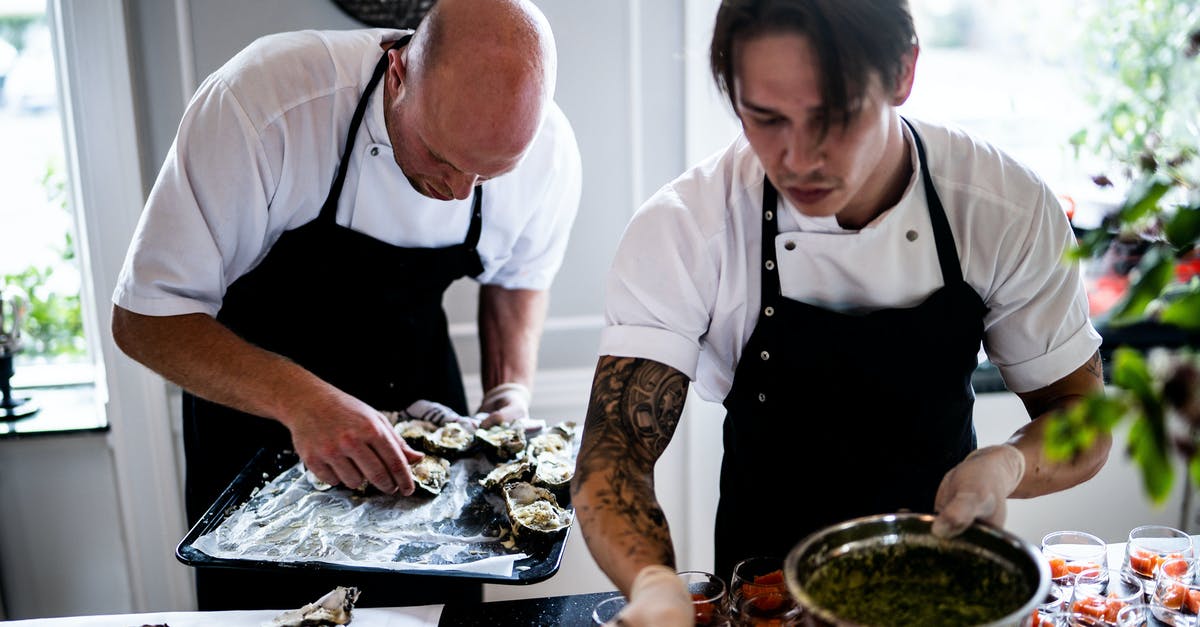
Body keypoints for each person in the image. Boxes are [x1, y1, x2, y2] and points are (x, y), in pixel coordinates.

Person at [570, 1, 1110, 624]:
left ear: (904, 73)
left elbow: (1082, 419)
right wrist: (655, 585)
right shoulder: (689, 228)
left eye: (834, 117)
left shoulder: (1002, 207)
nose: (799, 158)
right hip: (766, 596)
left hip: (938, 587)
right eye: (764, 118)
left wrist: (1007, 461)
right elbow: (614, 456)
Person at [110, 0, 581, 610]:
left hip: (419, 407)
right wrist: (301, 401)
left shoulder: (550, 152)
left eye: (488, 175)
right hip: (259, 420)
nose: (458, 191)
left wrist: (509, 390)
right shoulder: (262, 105)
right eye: (441, 158)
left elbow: (518, 278)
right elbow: (145, 318)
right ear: (397, 73)